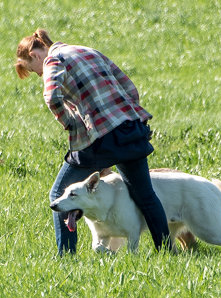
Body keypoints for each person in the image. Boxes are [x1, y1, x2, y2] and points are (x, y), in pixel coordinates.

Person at [15, 29, 171, 256]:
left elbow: (51, 97)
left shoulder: (52, 60)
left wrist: (69, 122)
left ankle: (66, 258)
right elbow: (129, 86)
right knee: (145, 195)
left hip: (98, 140)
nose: (39, 74)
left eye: (33, 70)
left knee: (59, 194)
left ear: (35, 55)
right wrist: (129, 115)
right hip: (129, 131)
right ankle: (166, 252)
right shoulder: (88, 50)